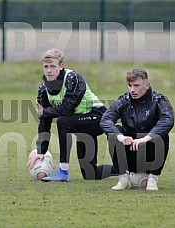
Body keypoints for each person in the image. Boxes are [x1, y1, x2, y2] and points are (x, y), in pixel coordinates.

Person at [27, 48, 116, 182]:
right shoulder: (43, 89)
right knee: (90, 174)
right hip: (81, 126)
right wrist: (41, 151)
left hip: (97, 117)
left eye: (53, 66)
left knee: (63, 120)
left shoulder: (73, 78)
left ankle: (63, 171)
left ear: (61, 66)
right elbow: (44, 122)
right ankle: (127, 169)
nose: (49, 70)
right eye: (46, 66)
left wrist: (44, 112)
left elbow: (68, 108)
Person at [100, 68, 174, 191]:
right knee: (116, 131)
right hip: (131, 153)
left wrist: (146, 138)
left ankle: (153, 179)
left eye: (136, 85)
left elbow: (167, 120)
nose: (132, 90)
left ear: (147, 85)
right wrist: (121, 137)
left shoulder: (159, 100)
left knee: (161, 134)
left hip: (150, 155)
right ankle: (123, 178)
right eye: (130, 85)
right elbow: (105, 119)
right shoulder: (124, 100)